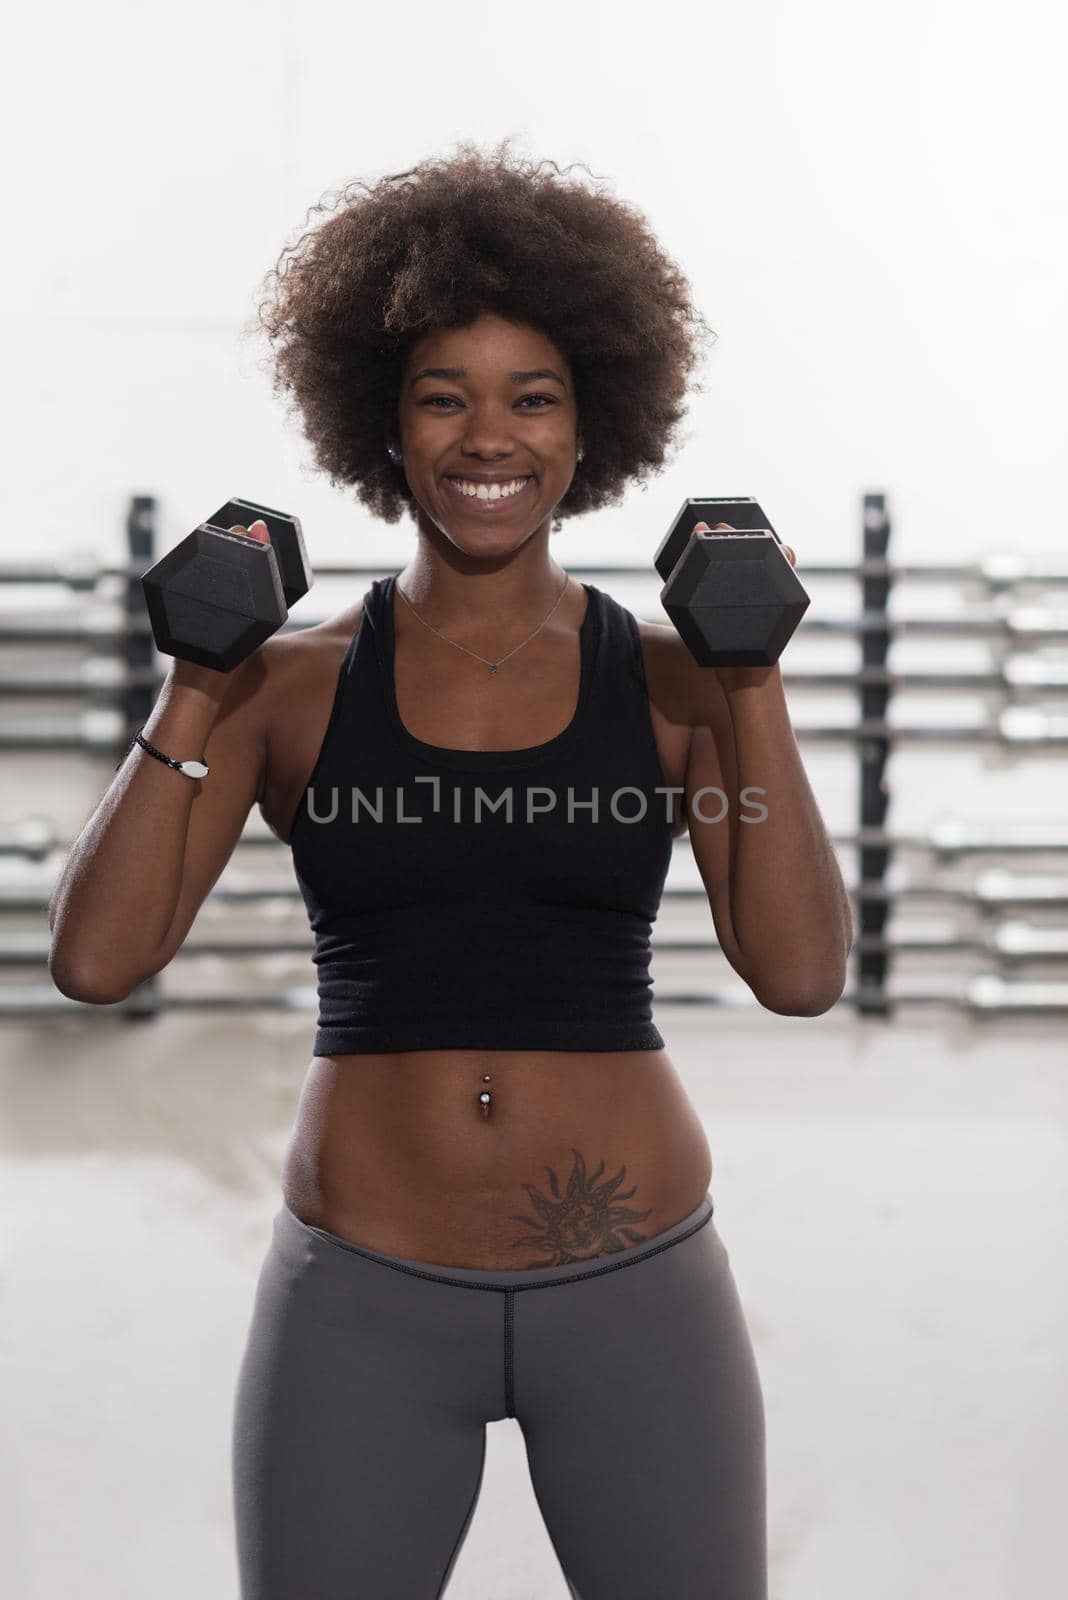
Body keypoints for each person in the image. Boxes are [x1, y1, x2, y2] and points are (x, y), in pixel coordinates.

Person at [48, 141, 852, 1600]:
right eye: (445, 397)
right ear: (385, 425)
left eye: (533, 397)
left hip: (636, 1279)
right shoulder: (284, 687)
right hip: (361, 1288)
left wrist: (750, 681)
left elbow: (798, 975)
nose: (492, 438)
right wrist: (190, 680)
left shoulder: (678, 681)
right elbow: (97, 961)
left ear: (591, 422)